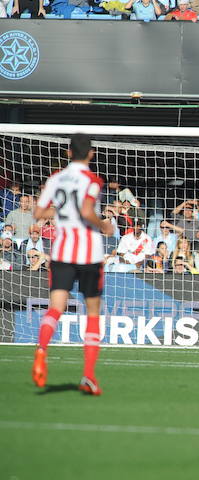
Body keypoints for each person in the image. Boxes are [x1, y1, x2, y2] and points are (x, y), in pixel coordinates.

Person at [31, 135, 116, 396]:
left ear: (68, 152)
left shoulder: (55, 178)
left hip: (61, 251)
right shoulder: (92, 180)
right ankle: (88, 377)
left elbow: (38, 214)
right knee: (92, 312)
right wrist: (105, 226)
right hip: (89, 253)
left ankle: (41, 350)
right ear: (90, 154)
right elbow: (88, 210)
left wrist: (63, 212)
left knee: (56, 307)